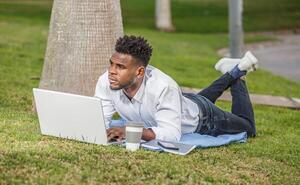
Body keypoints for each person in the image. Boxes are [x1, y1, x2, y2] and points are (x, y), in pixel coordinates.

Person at [94, 35, 258, 142]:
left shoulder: (164, 87)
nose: (111, 71)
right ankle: (232, 72)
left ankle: (239, 73)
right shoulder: (106, 81)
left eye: (120, 67)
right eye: (112, 64)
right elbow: (99, 119)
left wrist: (131, 131)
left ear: (139, 72)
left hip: (204, 119)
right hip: (184, 103)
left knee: (248, 128)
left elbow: (171, 134)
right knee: (196, 101)